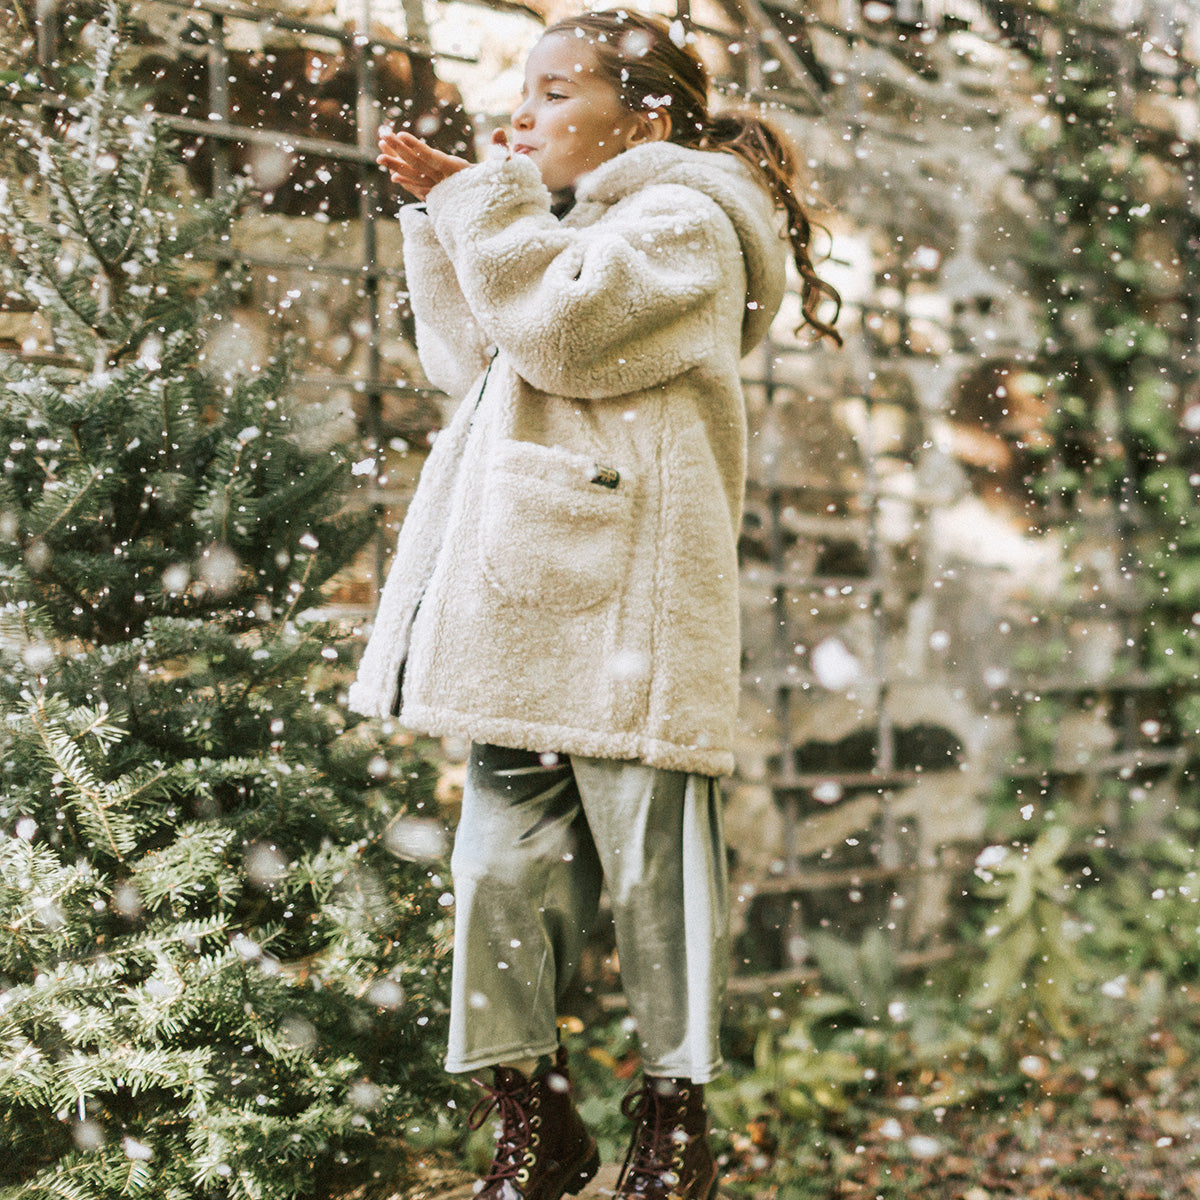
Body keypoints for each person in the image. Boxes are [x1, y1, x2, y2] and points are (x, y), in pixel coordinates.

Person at [349, 10, 840, 1200]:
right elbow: (470, 360)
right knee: (495, 874)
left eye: (558, 92)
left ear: (645, 115)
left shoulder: (688, 223)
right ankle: (538, 1116)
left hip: (633, 611)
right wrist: (446, 218)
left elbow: (564, 335)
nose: (525, 115)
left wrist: (480, 203)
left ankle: (676, 1125)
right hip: (522, 605)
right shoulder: (564, 231)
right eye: (524, 91)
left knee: (657, 881)